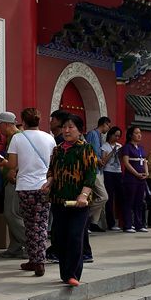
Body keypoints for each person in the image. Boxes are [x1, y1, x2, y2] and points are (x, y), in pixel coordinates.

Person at [45, 113, 98, 286]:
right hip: (59, 201)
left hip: (78, 202)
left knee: (75, 237)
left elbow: (90, 175)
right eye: (64, 127)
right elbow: (52, 170)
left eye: (71, 127)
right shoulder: (58, 149)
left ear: (79, 130)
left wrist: (83, 195)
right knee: (60, 238)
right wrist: (49, 182)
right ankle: (65, 273)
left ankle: (73, 274)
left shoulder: (86, 148)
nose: (67, 131)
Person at [8, 108, 55, 277]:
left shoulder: (17, 138)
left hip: (25, 187)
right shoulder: (49, 138)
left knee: (29, 224)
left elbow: (12, 165)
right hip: (44, 186)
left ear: (23, 121)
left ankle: (35, 259)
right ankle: (38, 260)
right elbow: (53, 163)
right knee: (41, 224)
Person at [0, 112, 26, 260]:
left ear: (6, 124)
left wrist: (7, 166)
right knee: (13, 214)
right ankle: (15, 247)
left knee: (12, 214)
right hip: (14, 180)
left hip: (14, 181)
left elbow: (18, 161)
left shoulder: (16, 138)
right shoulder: (16, 137)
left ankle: (33, 244)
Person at [120, 125, 149, 233]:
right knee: (129, 201)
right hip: (131, 178)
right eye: (136, 133)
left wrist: (146, 172)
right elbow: (126, 163)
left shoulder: (141, 148)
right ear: (131, 135)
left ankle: (139, 224)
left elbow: (145, 161)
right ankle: (127, 225)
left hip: (141, 178)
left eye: (140, 133)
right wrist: (136, 173)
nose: (139, 135)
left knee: (139, 201)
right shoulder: (127, 147)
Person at [85, 116, 112, 231]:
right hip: (93, 170)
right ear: (104, 124)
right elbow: (89, 150)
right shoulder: (92, 134)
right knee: (103, 197)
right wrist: (97, 160)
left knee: (98, 196)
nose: (108, 129)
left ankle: (93, 222)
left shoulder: (99, 136)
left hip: (99, 169)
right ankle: (86, 216)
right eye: (108, 126)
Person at [101, 125, 124, 230]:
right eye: (115, 136)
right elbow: (103, 161)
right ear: (110, 135)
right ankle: (111, 223)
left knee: (121, 196)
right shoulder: (105, 146)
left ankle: (122, 221)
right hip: (108, 172)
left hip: (118, 172)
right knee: (109, 198)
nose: (117, 138)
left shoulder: (120, 145)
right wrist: (113, 151)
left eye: (119, 136)